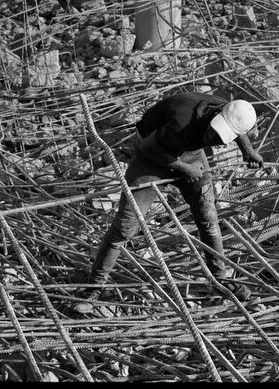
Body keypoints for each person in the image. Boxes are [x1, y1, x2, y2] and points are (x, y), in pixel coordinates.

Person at [74, 93, 265, 314]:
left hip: (191, 153)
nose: (213, 140)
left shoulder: (228, 109)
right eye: (214, 133)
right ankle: (94, 290)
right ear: (215, 117)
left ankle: (219, 278)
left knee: (208, 218)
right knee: (125, 227)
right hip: (152, 155)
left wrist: (248, 151)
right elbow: (147, 147)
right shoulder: (181, 121)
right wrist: (183, 168)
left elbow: (237, 129)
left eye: (220, 138)